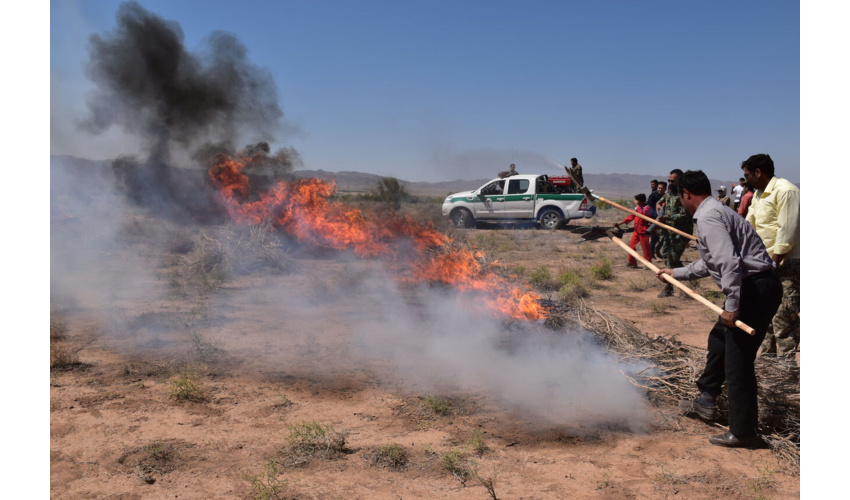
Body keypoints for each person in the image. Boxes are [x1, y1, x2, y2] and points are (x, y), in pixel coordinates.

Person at [656, 170, 781, 448]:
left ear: (686, 194)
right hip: (754, 286)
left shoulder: (709, 217)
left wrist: (732, 306)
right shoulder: (715, 211)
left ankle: (744, 432)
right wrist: (676, 273)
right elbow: (711, 262)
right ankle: (706, 399)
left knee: (738, 363)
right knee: (719, 341)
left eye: (680, 196)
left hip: (754, 289)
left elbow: (729, 263)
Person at [741, 154, 800, 357]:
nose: (746, 180)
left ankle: (786, 367)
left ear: (758, 173)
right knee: (764, 314)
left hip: (786, 263)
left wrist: (773, 264)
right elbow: (749, 225)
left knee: (783, 318)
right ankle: (768, 363)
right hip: (764, 264)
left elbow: (787, 232)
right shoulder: (758, 194)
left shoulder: (786, 191)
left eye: (747, 175)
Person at [656, 169, 694, 297]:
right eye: (669, 181)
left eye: (673, 181)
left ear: (680, 180)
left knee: (672, 259)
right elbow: (661, 200)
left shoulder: (684, 195)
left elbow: (684, 215)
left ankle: (669, 288)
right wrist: (658, 205)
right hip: (668, 231)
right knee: (666, 256)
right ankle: (689, 276)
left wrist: (667, 217)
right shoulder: (669, 193)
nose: (670, 183)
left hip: (680, 232)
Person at [614, 193, 653, 267]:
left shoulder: (647, 208)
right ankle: (632, 262)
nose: (634, 201)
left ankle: (648, 264)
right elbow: (631, 216)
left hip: (644, 232)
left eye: (635, 200)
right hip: (636, 231)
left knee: (645, 248)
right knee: (631, 246)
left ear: (639, 201)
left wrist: (638, 208)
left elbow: (644, 215)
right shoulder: (637, 208)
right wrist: (620, 223)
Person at [649, 181, 667, 259]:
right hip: (654, 219)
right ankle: (651, 254)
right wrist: (655, 217)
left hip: (664, 219)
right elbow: (649, 207)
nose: (660, 189)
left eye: (662, 188)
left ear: (665, 189)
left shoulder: (666, 196)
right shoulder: (653, 196)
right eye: (659, 188)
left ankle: (658, 249)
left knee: (666, 236)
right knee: (654, 238)